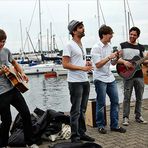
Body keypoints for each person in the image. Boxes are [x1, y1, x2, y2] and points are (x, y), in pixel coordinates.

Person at [0, 29, 38, 148]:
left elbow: (14, 63)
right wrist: (1, 71)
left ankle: (30, 142)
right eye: (0, 42)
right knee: (6, 120)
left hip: (13, 88)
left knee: (26, 113)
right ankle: (3, 144)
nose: (2, 44)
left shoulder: (6, 51)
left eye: (3, 41)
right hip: (1, 93)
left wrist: (22, 73)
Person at [62, 20, 95, 143]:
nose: (83, 29)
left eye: (83, 27)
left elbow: (77, 61)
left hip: (84, 80)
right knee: (75, 110)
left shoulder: (81, 44)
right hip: (75, 82)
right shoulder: (69, 45)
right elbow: (65, 64)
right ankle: (74, 136)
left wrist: (86, 63)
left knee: (83, 109)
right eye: (80, 28)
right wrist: (83, 68)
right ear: (74, 31)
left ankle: (82, 133)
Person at [91, 25, 126, 134]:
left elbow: (112, 63)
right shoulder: (95, 47)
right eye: (110, 35)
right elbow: (97, 65)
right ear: (104, 35)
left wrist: (115, 58)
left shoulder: (109, 46)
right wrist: (109, 57)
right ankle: (100, 125)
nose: (111, 37)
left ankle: (114, 125)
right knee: (101, 103)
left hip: (109, 77)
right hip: (100, 78)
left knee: (115, 101)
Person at [118, 27, 148, 126]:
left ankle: (138, 116)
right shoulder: (122, 45)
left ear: (137, 36)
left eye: (134, 35)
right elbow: (117, 59)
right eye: (131, 34)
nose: (132, 36)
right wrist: (125, 62)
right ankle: (125, 117)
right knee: (127, 97)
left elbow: (144, 61)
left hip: (139, 75)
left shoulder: (141, 47)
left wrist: (146, 61)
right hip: (127, 75)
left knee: (139, 97)